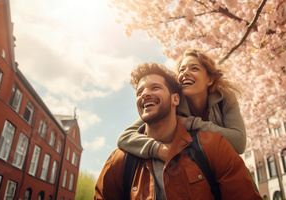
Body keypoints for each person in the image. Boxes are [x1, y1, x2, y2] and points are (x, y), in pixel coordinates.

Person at [95, 63, 260, 199]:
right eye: (140, 91)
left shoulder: (212, 146)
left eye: (155, 87)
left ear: (176, 99)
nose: (145, 94)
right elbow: (124, 137)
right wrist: (158, 149)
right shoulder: (121, 161)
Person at [117, 49, 246, 161]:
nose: (185, 73)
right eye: (182, 69)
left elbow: (239, 143)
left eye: (194, 68)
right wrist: (158, 149)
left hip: (226, 165)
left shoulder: (225, 98)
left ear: (209, 79)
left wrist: (192, 123)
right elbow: (125, 137)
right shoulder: (172, 102)